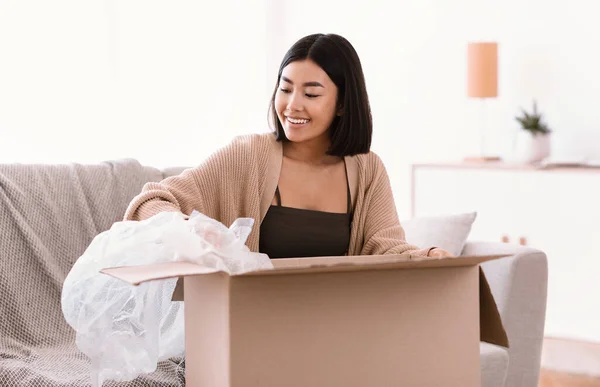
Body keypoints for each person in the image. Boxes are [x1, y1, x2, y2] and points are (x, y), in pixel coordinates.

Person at [123, 33, 453, 259]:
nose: (292, 105)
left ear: (341, 104)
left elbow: (384, 249)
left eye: (310, 94)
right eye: (285, 89)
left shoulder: (368, 169)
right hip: (252, 324)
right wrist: (189, 231)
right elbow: (152, 201)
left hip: (333, 326)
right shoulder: (247, 156)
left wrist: (428, 256)